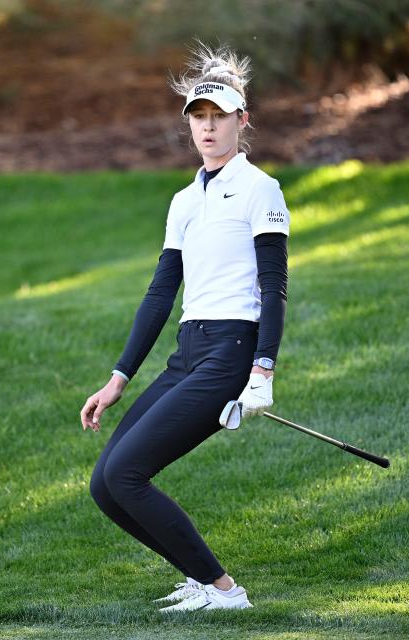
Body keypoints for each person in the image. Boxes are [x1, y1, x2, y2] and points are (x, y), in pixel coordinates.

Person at [79, 42, 290, 613]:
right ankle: (202, 582)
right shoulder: (182, 201)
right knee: (106, 484)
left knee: (126, 474)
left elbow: (273, 287)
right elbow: (159, 293)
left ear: (242, 122)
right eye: (199, 117)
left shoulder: (259, 190)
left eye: (219, 117)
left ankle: (225, 593)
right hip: (188, 352)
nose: (208, 128)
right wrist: (119, 377)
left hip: (230, 352)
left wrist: (262, 369)